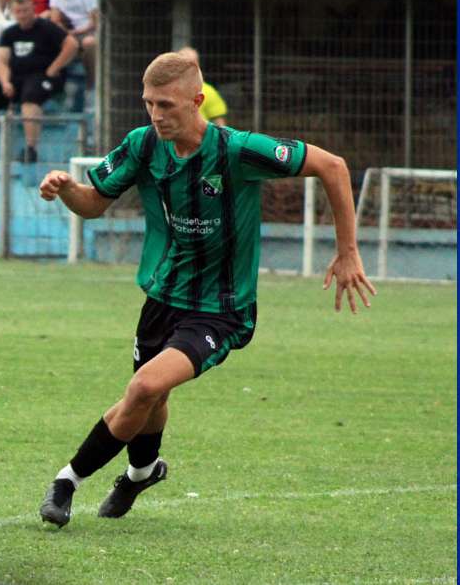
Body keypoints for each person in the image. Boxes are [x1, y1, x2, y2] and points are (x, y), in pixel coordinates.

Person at [36, 50, 377, 528]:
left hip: (221, 308)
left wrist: (347, 251)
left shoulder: (238, 150)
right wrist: (66, 189)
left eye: (166, 105)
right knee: (151, 399)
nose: (156, 115)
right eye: (149, 103)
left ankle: (66, 481)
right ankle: (141, 473)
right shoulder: (143, 145)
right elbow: (93, 204)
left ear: (196, 102)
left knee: (145, 386)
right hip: (162, 296)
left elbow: (333, 166)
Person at [0, 0, 77, 163]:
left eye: (26, 10)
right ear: (13, 12)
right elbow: (1, 60)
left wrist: (54, 68)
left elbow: (72, 44)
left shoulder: (47, 27)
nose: (23, 15)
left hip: (43, 76)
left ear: (33, 8)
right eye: (18, 11)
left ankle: (30, 149)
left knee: (30, 98)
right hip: (16, 77)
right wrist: (5, 82)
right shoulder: (9, 33)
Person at [46, 0, 98, 85]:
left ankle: (92, 85)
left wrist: (73, 32)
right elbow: (55, 20)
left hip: (91, 32)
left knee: (89, 42)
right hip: (71, 33)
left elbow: (95, 23)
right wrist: (62, 29)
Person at [180, 47, 228, 126]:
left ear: (198, 65)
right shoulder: (168, 90)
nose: (187, 67)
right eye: (183, 63)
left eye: (192, 63)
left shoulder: (209, 92)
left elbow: (220, 125)